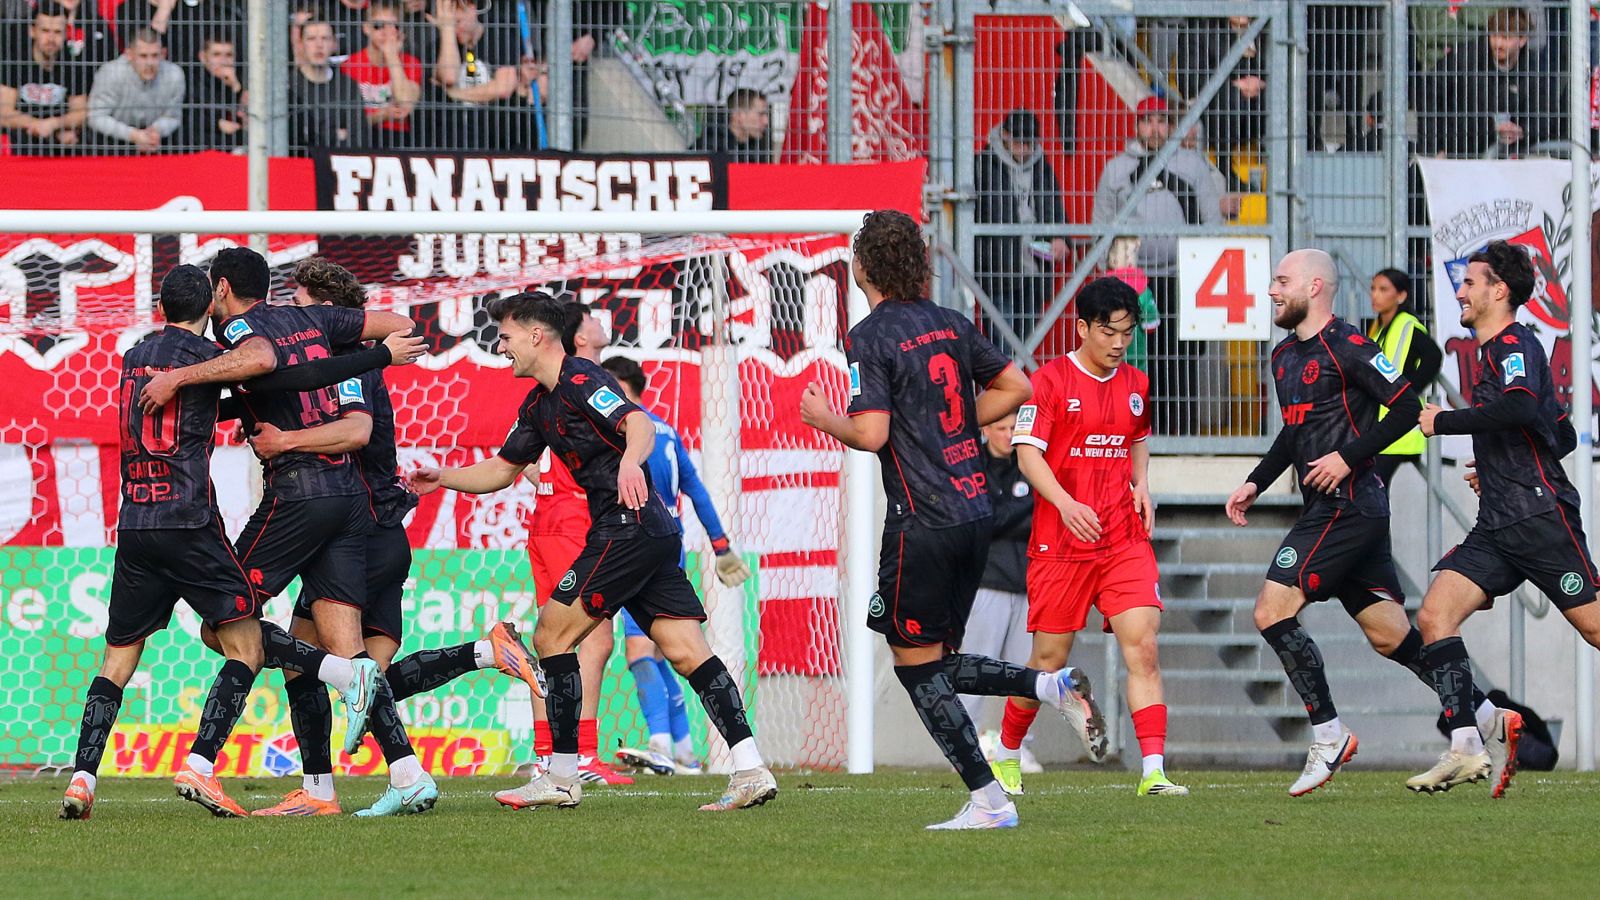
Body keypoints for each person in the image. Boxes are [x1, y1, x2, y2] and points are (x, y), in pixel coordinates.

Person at [408, 291, 779, 812]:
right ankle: (750, 768)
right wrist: (441, 478)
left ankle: (561, 774)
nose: (502, 346)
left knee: (550, 635)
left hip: (624, 529)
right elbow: (500, 470)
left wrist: (631, 463)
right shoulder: (538, 404)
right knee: (684, 648)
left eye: (508, 336)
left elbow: (639, 424)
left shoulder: (584, 380)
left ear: (536, 335)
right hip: (650, 533)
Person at [799, 209, 1096, 830]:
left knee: (917, 665)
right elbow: (1018, 385)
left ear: (862, 267)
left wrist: (824, 418)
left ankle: (990, 800)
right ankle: (1049, 686)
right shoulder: (951, 322)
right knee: (927, 650)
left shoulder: (868, 337)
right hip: (973, 517)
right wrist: (956, 424)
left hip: (923, 519)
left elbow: (872, 431)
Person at [60, 265, 390, 820]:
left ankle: (82, 778)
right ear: (209, 303)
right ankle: (219, 754)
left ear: (162, 305)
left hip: (136, 523)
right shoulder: (207, 360)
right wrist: (378, 358)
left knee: (117, 660)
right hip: (189, 524)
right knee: (243, 643)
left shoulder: (135, 356)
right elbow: (276, 371)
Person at [242, 256, 540, 816]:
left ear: (329, 311)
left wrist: (285, 443)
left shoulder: (348, 364)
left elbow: (357, 432)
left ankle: (349, 786)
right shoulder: (339, 364)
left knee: (334, 666)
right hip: (376, 530)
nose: (294, 322)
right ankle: (483, 653)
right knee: (358, 676)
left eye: (303, 308)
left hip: (360, 532)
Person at [136, 247, 425, 815]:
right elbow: (401, 325)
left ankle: (200, 765)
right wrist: (363, 355)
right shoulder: (313, 319)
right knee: (339, 651)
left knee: (223, 621)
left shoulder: (244, 327)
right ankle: (389, 776)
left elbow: (262, 360)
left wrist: (178, 378)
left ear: (220, 289)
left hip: (301, 493)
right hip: (346, 500)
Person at [1223, 248, 1490, 797]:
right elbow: (1294, 434)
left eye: (1281, 280)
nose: (1272, 290)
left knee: (1271, 610)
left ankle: (1329, 734)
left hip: (1350, 503)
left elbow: (1405, 407)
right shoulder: (1282, 357)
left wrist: (1348, 456)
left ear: (1315, 286)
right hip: (1331, 509)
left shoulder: (1350, 345)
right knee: (1390, 636)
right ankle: (1483, 712)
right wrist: (1257, 480)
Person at [1411, 240, 1590, 797]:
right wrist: (1499, 467)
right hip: (1497, 522)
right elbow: (1556, 432)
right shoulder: (1490, 351)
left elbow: (1516, 407)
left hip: (1539, 518)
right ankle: (1466, 747)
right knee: (1434, 618)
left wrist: (1444, 422)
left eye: (1470, 282)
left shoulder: (1514, 343)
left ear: (1499, 290)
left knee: (1595, 628)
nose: (1460, 291)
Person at [1000, 277, 1185, 798]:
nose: (1119, 343)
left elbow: (1138, 440)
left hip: (1122, 539)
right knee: (1048, 660)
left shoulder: (1136, 384)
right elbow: (1027, 453)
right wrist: (1065, 503)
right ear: (1082, 327)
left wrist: (1142, 483)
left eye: (1126, 333)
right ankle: (1008, 754)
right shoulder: (1050, 382)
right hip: (1060, 543)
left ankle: (1154, 772)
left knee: (1143, 647)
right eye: (1108, 332)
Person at [600, 356, 752, 777]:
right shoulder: (666, 433)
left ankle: (661, 745)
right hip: (671, 545)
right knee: (667, 649)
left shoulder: (624, 434)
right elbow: (697, 491)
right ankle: (685, 749)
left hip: (636, 544)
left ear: (620, 385)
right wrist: (721, 547)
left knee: (638, 651)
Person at [519, 303, 634, 786]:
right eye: (589, 317)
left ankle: (546, 754)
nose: (597, 322)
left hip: (547, 522)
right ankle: (581, 754)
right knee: (591, 637)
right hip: (574, 523)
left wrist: (548, 480)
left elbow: (519, 459)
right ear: (576, 337)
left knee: (552, 634)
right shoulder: (585, 380)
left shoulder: (544, 391)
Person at [1092, 95, 1226, 435]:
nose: (1155, 127)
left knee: (1181, 360)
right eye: (1147, 120)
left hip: (1183, 277)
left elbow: (1212, 221)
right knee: (1130, 360)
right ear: (1137, 125)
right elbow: (1101, 226)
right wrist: (1103, 272)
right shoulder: (1118, 168)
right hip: (1131, 282)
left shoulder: (1192, 166)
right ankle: (1131, 432)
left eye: (1162, 120)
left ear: (1171, 125)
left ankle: (1178, 433)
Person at [956, 412, 1040, 773]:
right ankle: (961, 745)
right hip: (986, 585)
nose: (1008, 436)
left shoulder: (1033, 465)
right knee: (975, 666)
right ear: (986, 429)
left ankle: (1018, 748)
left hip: (1027, 586)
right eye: (1001, 429)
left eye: (1014, 429)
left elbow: (1035, 516)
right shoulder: (973, 466)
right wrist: (1025, 509)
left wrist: (1011, 513)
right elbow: (984, 520)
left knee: (1024, 673)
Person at [973, 109, 1067, 341]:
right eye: (1019, 142)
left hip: (1034, 270)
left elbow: (1054, 206)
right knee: (1001, 344)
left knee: (1025, 343)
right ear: (1005, 135)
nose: (1024, 149)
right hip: (997, 268)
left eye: (1029, 143)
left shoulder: (1042, 167)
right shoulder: (983, 165)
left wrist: (1060, 237)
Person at [1421, 7, 1564, 159]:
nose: (1498, 44)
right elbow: (1428, 98)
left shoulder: (1534, 69)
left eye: (1506, 38)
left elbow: (1546, 116)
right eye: (1495, 36)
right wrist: (1437, 147)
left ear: (1522, 40)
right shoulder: (1463, 60)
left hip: (1509, 154)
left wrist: (1522, 131)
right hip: (1460, 148)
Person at [428, 0, 542, 153]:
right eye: (449, 24)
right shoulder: (441, 47)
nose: (454, 29)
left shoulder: (500, 36)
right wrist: (447, 31)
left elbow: (503, 87)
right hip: (455, 137)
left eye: (457, 22)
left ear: (472, 9)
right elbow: (449, 77)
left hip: (498, 135)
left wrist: (453, 94)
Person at [1366, 268, 1441, 489]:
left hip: (1399, 429)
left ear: (1401, 296)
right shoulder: (1379, 329)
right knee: (1372, 490)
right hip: (1382, 425)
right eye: (1373, 289)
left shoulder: (1408, 325)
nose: (1375, 295)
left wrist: (1408, 393)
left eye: (1383, 289)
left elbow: (1433, 357)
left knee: (1374, 488)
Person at [0, 2, 89, 155]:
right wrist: (36, 124)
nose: (51, 38)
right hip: (20, 140)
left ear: (65, 34)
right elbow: (3, 112)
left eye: (57, 32)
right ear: (32, 31)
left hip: (60, 143)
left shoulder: (74, 65)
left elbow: (81, 113)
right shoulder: (15, 62)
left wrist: (54, 124)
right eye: (45, 31)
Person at [86, 27, 183, 153]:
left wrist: (156, 130)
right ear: (129, 55)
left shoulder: (174, 75)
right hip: (112, 144)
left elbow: (173, 117)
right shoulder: (111, 73)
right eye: (143, 56)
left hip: (156, 142)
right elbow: (96, 117)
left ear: (163, 54)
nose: (149, 63)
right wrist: (133, 135)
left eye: (155, 56)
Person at [340, 0, 423, 147]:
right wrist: (383, 115)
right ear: (366, 28)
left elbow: (405, 102)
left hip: (399, 139)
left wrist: (391, 55)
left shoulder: (411, 62)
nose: (387, 32)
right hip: (361, 137)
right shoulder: (350, 65)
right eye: (379, 26)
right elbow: (348, 120)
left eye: (394, 26)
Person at [288, 18, 367, 150]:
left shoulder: (348, 86)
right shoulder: (289, 85)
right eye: (311, 39)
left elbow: (359, 137)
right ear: (300, 44)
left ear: (334, 44)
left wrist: (317, 133)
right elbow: (292, 138)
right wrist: (335, 134)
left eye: (325, 38)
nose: (319, 45)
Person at [183, 33, 244, 151]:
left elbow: (242, 121)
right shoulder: (192, 80)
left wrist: (236, 88)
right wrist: (218, 123)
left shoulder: (240, 79)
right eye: (216, 55)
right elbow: (194, 118)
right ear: (202, 57)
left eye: (229, 55)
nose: (223, 61)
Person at [691, 88, 772, 163]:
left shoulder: (757, 150)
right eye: (760, 114)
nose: (766, 121)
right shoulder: (708, 148)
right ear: (739, 115)